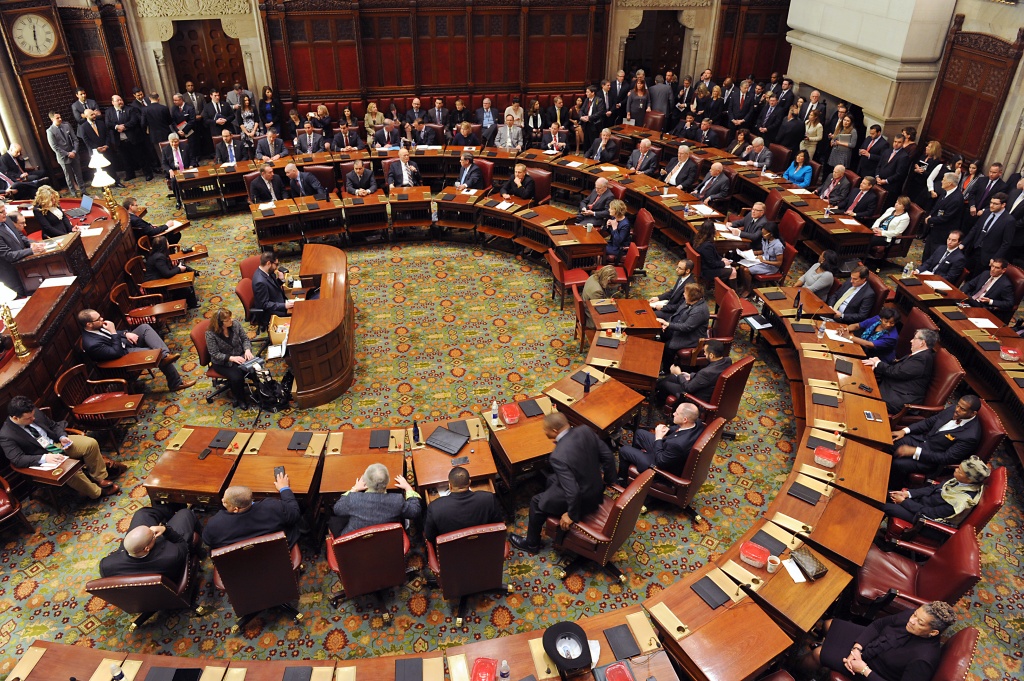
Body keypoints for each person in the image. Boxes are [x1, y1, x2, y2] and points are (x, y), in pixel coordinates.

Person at [509, 413, 616, 554]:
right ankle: (551, 510)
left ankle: (531, 543)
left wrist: (571, 514)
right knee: (552, 479)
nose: (544, 431)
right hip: (596, 489)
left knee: (536, 502)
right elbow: (608, 457)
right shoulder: (585, 430)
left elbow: (573, 491)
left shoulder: (558, 456)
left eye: (545, 429)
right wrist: (608, 481)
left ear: (554, 431)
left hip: (583, 500)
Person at [0, 396, 123, 500]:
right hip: (42, 457)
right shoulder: (6, 435)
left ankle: (100, 478)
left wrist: (62, 436)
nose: (33, 419)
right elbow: (17, 459)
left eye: (33, 416)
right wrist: (44, 457)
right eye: (28, 418)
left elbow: (53, 426)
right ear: (15, 418)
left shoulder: (33, 412)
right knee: (70, 470)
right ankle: (97, 492)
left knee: (90, 443)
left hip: (56, 443)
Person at [797, 602, 955, 681]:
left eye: (920, 622)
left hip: (874, 670)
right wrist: (857, 648)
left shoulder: (923, 660)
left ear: (933, 632)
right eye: (914, 615)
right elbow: (879, 625)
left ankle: (794, 672)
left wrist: (864, 670)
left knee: (817, 654)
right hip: (870, 644)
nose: (912, 621)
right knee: (829, 623)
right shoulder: (912, 616)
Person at [78, 308, 194, 391]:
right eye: (98, 319)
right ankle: (175, 383)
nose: (102, 319)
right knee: (155, 353)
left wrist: (125, 333)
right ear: (89, 324)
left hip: (124, 343)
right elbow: (116, 353)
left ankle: (165, 355)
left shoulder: (96, 327)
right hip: (121, 356)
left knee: (144, 328)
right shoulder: (91, 344)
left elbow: (113, 334)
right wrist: (113, 331)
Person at [889, 395, 982, 486]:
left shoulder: (971, 436)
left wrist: (915, 451)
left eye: (963, 409)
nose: (957, 409)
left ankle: (890, 488)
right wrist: (904, 431)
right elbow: (928, 422)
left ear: (973, 413)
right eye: (958, 405)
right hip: (922, 440)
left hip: (931, 460)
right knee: (890, 442)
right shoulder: (953, 409)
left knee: (898, 464)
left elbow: (946, 458)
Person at [884, 455, 990, 526]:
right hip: (921, 503)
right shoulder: (960, 480)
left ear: (969, 479)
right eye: (958, 467)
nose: (955, 469)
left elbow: (931, 513)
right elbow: (933, 488)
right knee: (884, 493)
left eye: (960, 471)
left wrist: (904, 502)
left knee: (885, 506)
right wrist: (907, 494)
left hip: (923, 519)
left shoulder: (959, 501)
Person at [203, 473, 302, 549]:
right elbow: (295, 513)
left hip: (241, 566)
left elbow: (208, 541)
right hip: (277, 555)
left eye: (224, 502)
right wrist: (284, 488)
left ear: (236, 509)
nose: (222, 501)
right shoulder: (273, 507)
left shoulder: (214, 524)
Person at [98, 505, 200, 578]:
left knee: (143, 514)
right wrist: (165, 529)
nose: (152, 529)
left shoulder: (106, 565)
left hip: (138, 598)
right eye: (153, 535)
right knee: (184, 513)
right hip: (167, 576)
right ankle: (178, 508)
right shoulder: (171, 555)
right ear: (146, 548)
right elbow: (182, 545)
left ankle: (171, 508)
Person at [328, 463, 423, 536]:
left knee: (334, 521)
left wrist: (354, 489)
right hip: (387, 542)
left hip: (355, 544)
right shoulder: (396, 500)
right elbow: (415, 511)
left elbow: (337, 509)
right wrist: (408, 488)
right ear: (388, 481)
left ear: (366, 482)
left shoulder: (353, 498)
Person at [617, 402, 703, 482]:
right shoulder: (697, 423)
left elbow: (660, 461)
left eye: (676, 413)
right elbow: (679, 428)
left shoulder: (677, 445)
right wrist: (668, 429)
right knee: (640, 434)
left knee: (624, 450)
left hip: (659, 466)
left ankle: (622, 480)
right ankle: (634, 459)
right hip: (668, 452)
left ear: (685, 419)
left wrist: (658, 438)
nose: (673, 414)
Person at [864, 328, 937, 415]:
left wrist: (878, 363)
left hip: (899, 398)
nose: (911, 341)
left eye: (914, 338)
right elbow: (897, 368)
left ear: (922, 343)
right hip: (892, 388)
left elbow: (897, 372)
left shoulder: (922, 359)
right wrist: (876, 364)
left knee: (863, 399)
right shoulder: (920, 355)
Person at [423, 466, 503, 544]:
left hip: (452, 552)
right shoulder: (489, 498)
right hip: (484, 547)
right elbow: (498, 524)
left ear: (450, 486)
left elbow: (430, 537)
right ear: (469, 482)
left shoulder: (435, 508)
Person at [656, 339, 732, 406]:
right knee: (671, 377)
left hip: (695, 396)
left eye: (705, 352)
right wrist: (691, 375)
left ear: (711, 355)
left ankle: (657, 400)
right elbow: (708, 378)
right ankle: (656, 388)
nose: (704, 354)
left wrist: (679, 374)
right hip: (703, 386)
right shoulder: (727, 361)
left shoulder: (706, 373)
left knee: (665, 384)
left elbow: (688, 388)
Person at [205, 308, 254, 408]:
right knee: (237, 377)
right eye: (227, 320)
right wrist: (231, 358)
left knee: (255, 369)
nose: (231, 320)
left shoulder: (235, 324)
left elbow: (245, 339)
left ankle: (262, 392)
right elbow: (214, 353)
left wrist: (247, 350)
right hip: (223, 362)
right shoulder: (210, 334)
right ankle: (241, 399)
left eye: (230, 318)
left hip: (240, 354)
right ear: (220, 323)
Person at [659, 282, 710, 369]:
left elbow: (687, 327)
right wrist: (668, 324)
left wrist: (668, 324)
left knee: (668, 347)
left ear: (692, 296)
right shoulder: (689, 301)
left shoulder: (699, 311)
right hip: (679, 327)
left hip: (690, 337)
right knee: (660, 335)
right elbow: (677, 314)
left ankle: (667, 369)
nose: (683, 294)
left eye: (685, 293)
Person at [961, 193, 1015, 275]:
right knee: (963, 273)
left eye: (995, 204)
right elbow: (975, 229)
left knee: (975, 277)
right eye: (991, 202)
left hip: (987, 256)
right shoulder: (986, 212)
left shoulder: (1009, 220)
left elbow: (1006, 243)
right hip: (973, 249)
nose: (992, 205)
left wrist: (995, 258)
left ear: (1003, 205)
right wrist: (964, 243)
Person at [0, 208, 49, 295]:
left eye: (4, 210)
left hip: (24, 267)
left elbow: (20, 235)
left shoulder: (6, 219)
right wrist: (31, 250)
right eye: (1, 212)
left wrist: (32, 243)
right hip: (11, 274)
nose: (5, 213)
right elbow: (8, 255)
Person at [145, 236, 198, 309]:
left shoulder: (159, 254)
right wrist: (179, 269)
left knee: (185, 278)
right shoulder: (159, 257)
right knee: (184, 287)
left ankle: (191, 302)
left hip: (160, 279)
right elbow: (167, 274)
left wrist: (175, 266)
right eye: (167, 242)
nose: (168, 243)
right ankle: (189, 304)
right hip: (156, 285)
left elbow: (164, 269)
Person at [921, 172, 964, 260]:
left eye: (943, 180)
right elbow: (936, 207)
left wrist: (930, 220)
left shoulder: (956, 199)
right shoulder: (946, 192)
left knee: (934, 256)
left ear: (949, 183)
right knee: (926, 254)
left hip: (942, 233)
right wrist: (930, 215)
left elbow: (947, 217)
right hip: (934, 229)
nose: (941, 182)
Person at [735, 223, 784, 297]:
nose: (763, 235)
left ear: (771, 234)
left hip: (771, 267)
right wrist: (752, 253)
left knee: (746, 270)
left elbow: (779, 263)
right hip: (762, 260)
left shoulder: (778, 246)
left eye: (764, 234)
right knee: (742, 267)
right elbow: (764, 251)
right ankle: (744, 286)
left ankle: (748, 290)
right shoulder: (766, 240)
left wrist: (764, 261)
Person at [46, 111, 84, 196]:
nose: (60, 119)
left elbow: (75, 140)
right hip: (64, 157)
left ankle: (83, 191)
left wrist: (74, 151)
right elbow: (54, 147)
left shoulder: (67, 126)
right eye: (57, 118)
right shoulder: (50, 131)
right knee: (69, 177)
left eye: (60, 117)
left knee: (78, 174)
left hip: (74, 154)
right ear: (52, 119)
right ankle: (74, 193)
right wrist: (67, 154)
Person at [252, 250, 295, 323]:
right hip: (272, 311)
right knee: (298, 314)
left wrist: (280, 280)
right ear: (268, 263)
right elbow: (265, 304)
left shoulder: (268, 272)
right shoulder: (260, 282)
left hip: (279, 301)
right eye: (276, 264)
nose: (277, 267)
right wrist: (284, 305)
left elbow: (272, 287)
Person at [692, 219, 737, 287]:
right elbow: (712, 264)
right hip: (707, 271)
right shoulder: (707, 246)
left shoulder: (698, 238)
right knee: (733, 271)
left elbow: (712, 256)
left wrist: (721, 259)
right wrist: (723, 263)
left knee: (730, 268)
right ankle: (733, 293)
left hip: (703, 266)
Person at [161, 133, 195, 209]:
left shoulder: (185, 146)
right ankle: (178, 200)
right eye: (172, 142)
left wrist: (191, 166)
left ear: (178, 141)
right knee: (173, 181)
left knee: (193, 178)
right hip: (174, 171)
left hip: (186, 169)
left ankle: (194, 197)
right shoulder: (165, 150)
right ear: (169, 141)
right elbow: (164, 163)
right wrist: (170, 170)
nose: (174, 144)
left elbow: (192, 158)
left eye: (176, 142)